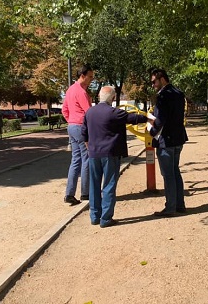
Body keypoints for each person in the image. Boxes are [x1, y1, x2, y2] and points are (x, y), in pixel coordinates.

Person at [82, 86, 149, 228]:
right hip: (110, 154)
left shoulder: (89, 112)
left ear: (99, 96)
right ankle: (106, 219)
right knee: (109, 185)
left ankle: (94, 216)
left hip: (94, 154)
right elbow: (133, 118)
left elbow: (84, 133)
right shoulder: (114, 112)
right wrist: (148, 117)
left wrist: (90, 148)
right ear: (112, 98)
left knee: (94, 185)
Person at [149, 68, 188, 217]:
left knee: (168, 174)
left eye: (154, 82)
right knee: (175, 171)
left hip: (167, 140)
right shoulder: (178, 93)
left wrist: (151, 132)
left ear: (162, 79)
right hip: (179, 138)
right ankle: (180, 204)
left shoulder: (163, 96)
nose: (153, 85)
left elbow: (160, 120)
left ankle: (170, 207)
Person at [62, 64, 94, 205]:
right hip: (81, 127)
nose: (91, 80)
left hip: (72, 127)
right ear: (83, 76)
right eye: (90, 77)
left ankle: (69, 193)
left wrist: (71, 121)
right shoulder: (81, 92)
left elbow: (64, 110)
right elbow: (89, 112)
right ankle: (85, 193)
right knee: (86, 158)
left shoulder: (70, 90)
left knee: (75, 161)